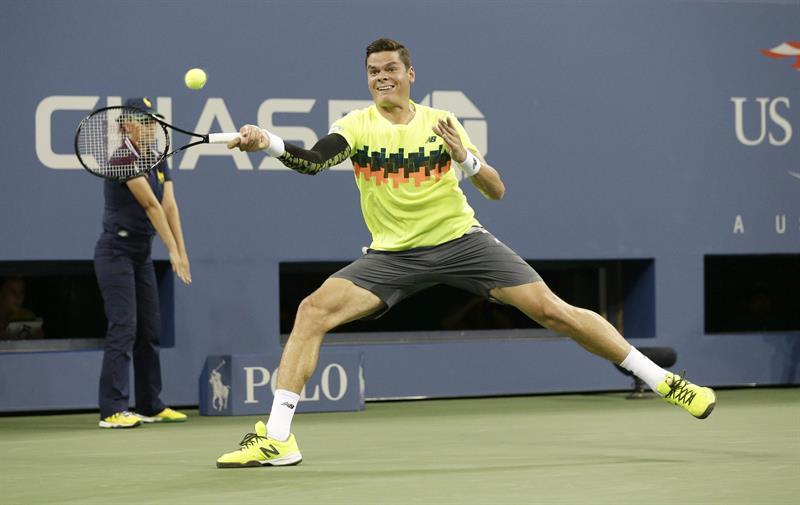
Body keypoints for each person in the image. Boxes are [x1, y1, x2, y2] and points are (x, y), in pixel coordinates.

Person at [216, 39, 716, 467]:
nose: (382, 77)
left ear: (410, 74)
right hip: (392, 256)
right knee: (312, 311)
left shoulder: (442, 122)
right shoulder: (356, 126)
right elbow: (311, 161)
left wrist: (464, 158)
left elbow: (495, 190)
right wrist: (269, 141)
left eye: (390, 69)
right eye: (373, 71)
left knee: (554, 311)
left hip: (462, 243)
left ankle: (665, 382)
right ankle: (278, 439)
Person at [94, 97, 192, 429]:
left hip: (141, 254)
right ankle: (112, 409)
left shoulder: (157, 158)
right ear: (126, 125)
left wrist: (182, 250)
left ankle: (151, 404)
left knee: (149, 330)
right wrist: (172, 250)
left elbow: (170, 206)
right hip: (115, 252)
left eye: (155, 121)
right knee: (124, 327)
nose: (153, 127)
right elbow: (151, 206)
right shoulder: (123, 158)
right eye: (146, 121)